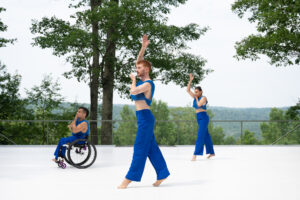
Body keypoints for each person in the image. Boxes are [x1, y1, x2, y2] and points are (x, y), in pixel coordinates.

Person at [118, 35, 170, 189]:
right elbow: (139, 60)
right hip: (142, 117)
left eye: (139, 68)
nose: (137, 69)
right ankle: (163, 173)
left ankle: (129, 178)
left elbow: (133, 92)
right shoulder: (143, 80)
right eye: (137, 68)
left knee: (140, 147)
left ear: (146, 69)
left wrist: (133, 80)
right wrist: (143, 47)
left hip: (146, 118)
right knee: (151, 148)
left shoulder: (147, 84)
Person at [186, 73, 215, 161]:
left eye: (197, 92)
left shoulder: (203, 98)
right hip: (198, 117)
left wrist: (196, 98)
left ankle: (195, 154)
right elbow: (187, 90)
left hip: (204, 117)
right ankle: (212, 152)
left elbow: (199, 105)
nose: (195, 93)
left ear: (201, 92)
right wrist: (190, 80)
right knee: (206, 135)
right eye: (195, 92)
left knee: (200, 135)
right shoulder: (196, 97)